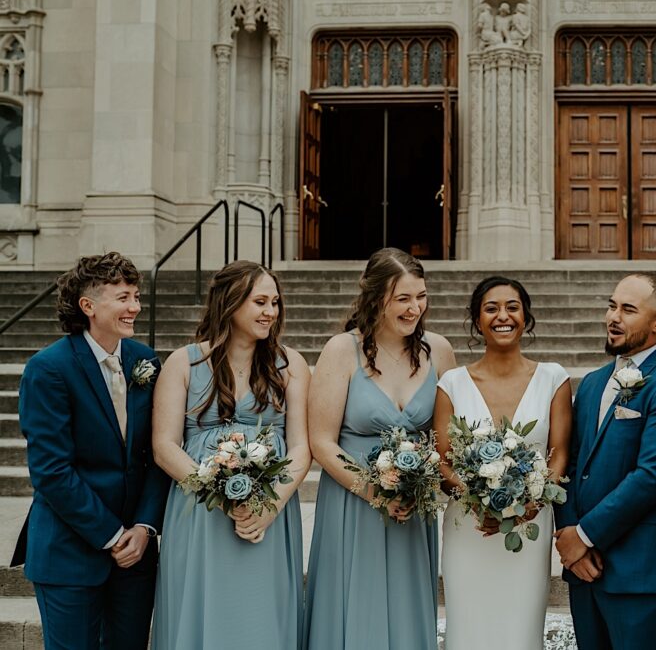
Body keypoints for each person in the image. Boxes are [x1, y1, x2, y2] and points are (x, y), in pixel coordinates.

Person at [151, 261, 310, 649]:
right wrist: (220, 496)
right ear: (230, 303)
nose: (270, 312)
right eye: (260, 302)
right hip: (201, 514)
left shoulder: (290, 365)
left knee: (260, 617)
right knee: (204, 612)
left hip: (269, 513)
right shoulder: (185, 362)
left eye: (274, 302)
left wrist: (269, 509)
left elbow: (302, 447)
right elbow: (164, 446)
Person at [14, 252, 169, 649]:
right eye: (123, 297)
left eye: (136, 295)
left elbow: (157, 453)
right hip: (69, 552)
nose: (135, 306)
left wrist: (144, 528)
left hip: (135, 555)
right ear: (89, 306)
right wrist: (113, 534)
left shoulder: (144, 360)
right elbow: (51, 471)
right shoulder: (49, 369)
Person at [303, 248, 456, 650]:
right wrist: (374, 491)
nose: (415, 308)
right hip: (353, 503)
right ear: (375, 298)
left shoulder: (439, 351)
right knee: (353, 607)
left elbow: (448, 436)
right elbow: (321, 440)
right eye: (402, 298)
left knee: (407, 610)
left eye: (420, 296)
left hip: (412, 507)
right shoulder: (341, 350)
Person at [554, 272, 656, 650]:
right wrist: (570, 538)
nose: (613, 317)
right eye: (611, 305)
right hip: (582, 568)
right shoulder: (591, 383)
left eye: (628, 309)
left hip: (639, 569)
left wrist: (584, 536)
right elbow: (570, 467)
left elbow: (654, 476)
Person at [433, 276, 572, 650]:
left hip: (529, 525)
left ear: (526, 317)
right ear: (477, 320)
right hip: (469, 528)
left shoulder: (553, 378)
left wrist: (529, 504)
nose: (502, 316)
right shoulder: (452, 383)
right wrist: (480, 501)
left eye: (512, 307)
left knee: (520, 629)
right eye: (491, 308)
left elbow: (558, 453)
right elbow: (443, 461)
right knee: (469, 627)